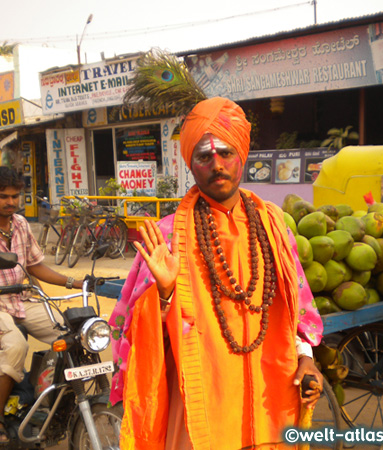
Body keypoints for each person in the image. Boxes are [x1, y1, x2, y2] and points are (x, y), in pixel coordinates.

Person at [109, 97, 323, 449]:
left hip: (270, 393)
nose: (217, 165)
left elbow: (294, 306)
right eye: (204, 156)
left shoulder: (273, 225)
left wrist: (306, 359)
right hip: (200, 400)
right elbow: (137, 338)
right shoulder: (166, 237)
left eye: (226, 153)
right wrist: (163, 296)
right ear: (191, 165)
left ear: (242, 156)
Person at [0, 167, 84, 445]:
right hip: (0, 305)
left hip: (23, 300)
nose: (10, 202)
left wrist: (75, 282)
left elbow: (36, 266)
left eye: (14, 196)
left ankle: (51, 404)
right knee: (16, 346)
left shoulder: (21, 224)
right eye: (3, 197)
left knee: (73, 335)